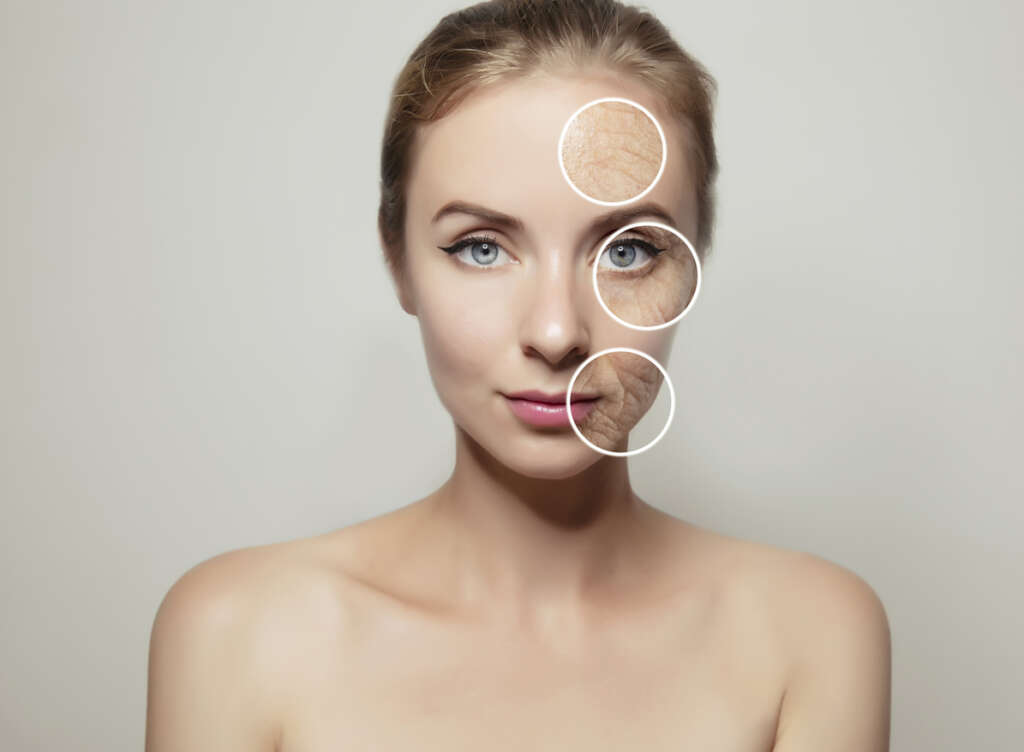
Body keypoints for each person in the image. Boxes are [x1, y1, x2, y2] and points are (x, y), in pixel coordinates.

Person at [145, 1, 891, 749]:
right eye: (480, 247)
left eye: (628, 251)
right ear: (397, 259)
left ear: (694, 261)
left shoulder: (811, 634)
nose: (558, 332)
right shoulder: (236, 635)